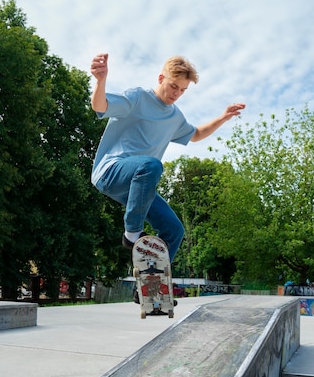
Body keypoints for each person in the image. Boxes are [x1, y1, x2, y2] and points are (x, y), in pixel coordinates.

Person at [90, 52, 245, 263]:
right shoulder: (138, 97)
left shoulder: (175, 117)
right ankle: (132, 233)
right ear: (161, 78)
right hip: (111, 172)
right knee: (151, 165)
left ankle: (152, 286)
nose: (177, 94)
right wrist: (101, 81)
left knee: (174, 229)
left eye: (183, 90)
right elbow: (101, 106)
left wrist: (223, 118)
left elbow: (196, 134)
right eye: (174, 86)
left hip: (138, 188)